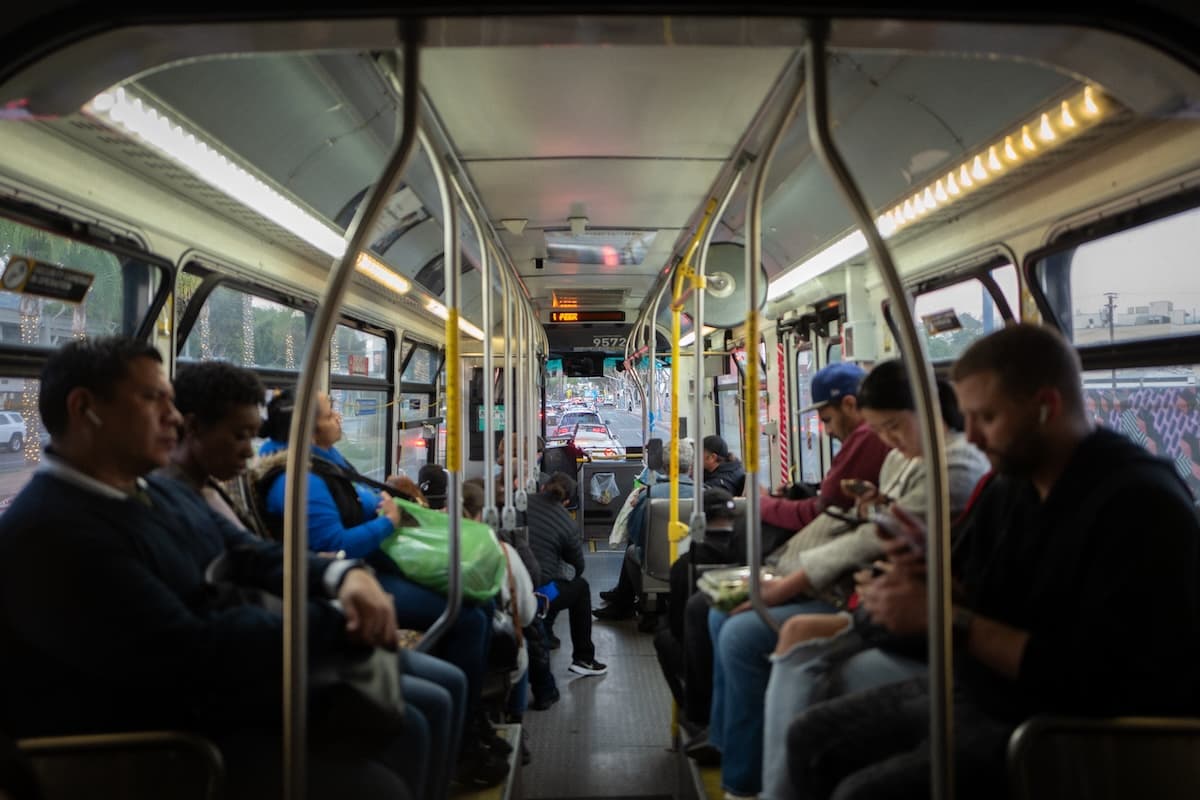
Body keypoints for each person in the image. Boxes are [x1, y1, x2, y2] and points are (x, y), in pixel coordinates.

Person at [786, 324, 1200, 800]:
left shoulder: (1139, 505)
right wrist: (922, 575)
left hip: (1065, 724)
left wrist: (944, 617)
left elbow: (1096, 675)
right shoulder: (1013, 487)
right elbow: (973, 581)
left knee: (863, 794)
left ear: (1048, 405)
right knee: (810, 737)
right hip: (987, 692)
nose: (975, 437)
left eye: (987, 417)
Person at [0, 337, 413, 799]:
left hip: (213, 701)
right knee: (387, 772)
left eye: (171, 402)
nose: (173, 418)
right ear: (84, 408)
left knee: (398, 713)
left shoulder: (153, 491)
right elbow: (191, 649)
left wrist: (343, 577)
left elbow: (247, 553)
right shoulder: (53, 533)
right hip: (151, 750)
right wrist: (338, 623)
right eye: (152, 398)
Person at [164, 360, 468, 799]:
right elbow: (201, 627)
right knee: (429, 697)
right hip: (248, 680)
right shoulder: (288, 481)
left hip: (286, 631)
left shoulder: (203, 490)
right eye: (239, 436)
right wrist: (330, 618)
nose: (250, 452)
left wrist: (341, 573)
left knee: (444, 690)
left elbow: (257, 556)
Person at [704, 359, 989, 800]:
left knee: (743, 634)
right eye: (884, 431)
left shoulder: (958, 467)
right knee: (722, 618)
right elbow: (878, 522)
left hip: (877, 597)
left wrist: (787, 582)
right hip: (870, 590)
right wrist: (872, 508)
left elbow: (871, 539)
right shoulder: (900, 456)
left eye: (894, 426)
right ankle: (736, 760)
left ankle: (750, 780)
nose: (890, 441)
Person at [254, 390, 509, 787]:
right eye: (329, 412)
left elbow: (364, 495)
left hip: (372, 564)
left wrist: (391, 502)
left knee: (476, 599)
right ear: (305, 428)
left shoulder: (323, 462)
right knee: (467, 615)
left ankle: (471, 719)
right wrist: (387, 523)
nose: (339, 416)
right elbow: (332, 547)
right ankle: (464, 739)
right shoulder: (297, 480)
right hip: (347, 583)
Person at [761, 362, 891, 531]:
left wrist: (762, 505)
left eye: (828, 420)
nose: (828, 431)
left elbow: (823, 512)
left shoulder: (866, 437)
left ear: (850, 405)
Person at [594, 438, 697, 622]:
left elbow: (636, 533)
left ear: (664, 466)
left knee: (632, 551)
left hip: (657, 564)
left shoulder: (651, 494)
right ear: (690, 467)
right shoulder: (704, 494)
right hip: (693, 562)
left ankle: (643, 605)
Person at [525, 471, 608, 676]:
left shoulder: (521, 502)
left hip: (509, 585)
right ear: (567, 501)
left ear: (543, 487)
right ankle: (583, 658)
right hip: (540, 594)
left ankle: (548, 632)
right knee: (579, 588)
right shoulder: (567, 522)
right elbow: (578, 565)